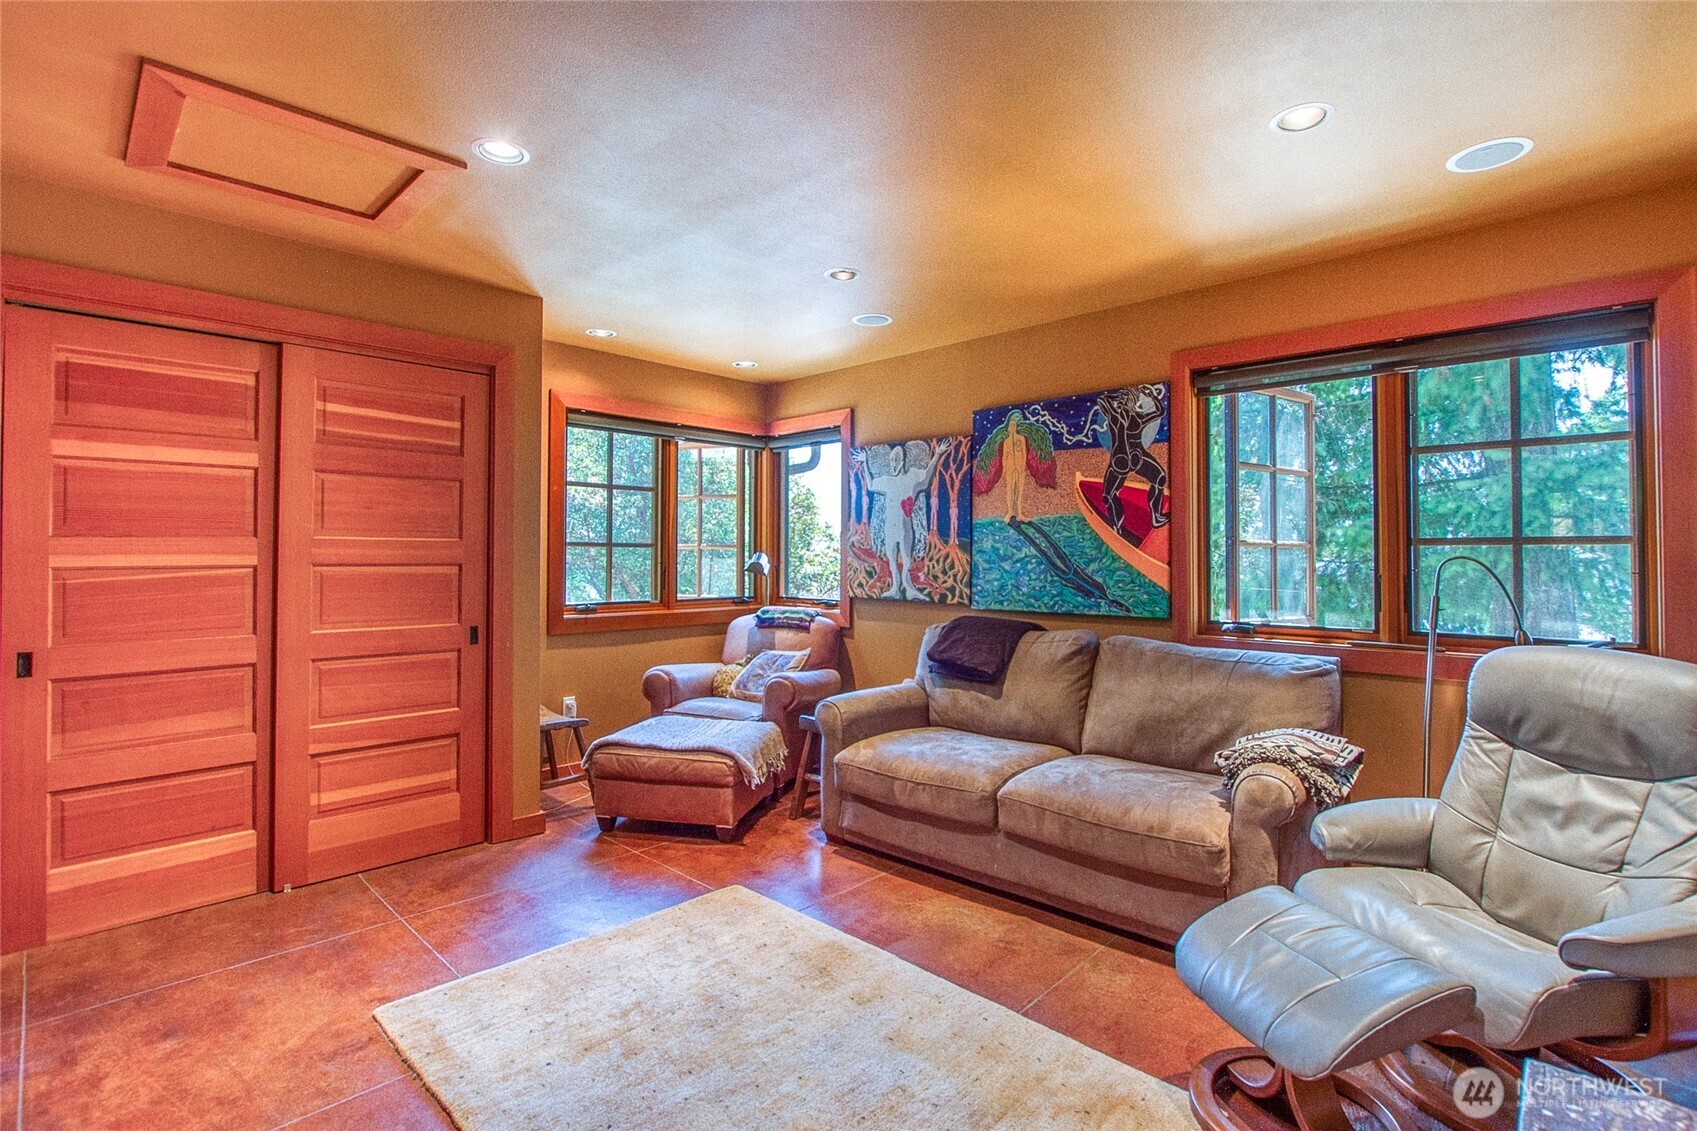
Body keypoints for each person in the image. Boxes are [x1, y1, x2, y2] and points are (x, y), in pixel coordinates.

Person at [858, 441, 945, 599]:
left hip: (905, 529)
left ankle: (909, 588)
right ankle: (895, 589)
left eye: (896, 460)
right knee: (892, 560)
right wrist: (864, 462)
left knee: (906, 559)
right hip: (889, 528)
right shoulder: (887, 481)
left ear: (903, 461)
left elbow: (926, 479)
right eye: (892, 460)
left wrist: (937, 455)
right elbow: (870, 485)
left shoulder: (911, 479)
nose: (894, 464)